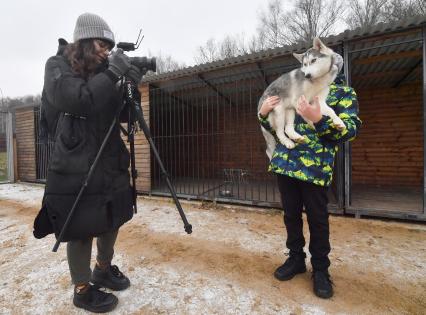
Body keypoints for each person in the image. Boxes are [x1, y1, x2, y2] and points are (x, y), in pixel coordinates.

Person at [33, 13, 142, 312]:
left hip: (110, 158)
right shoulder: (57, 66)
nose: (106, 50)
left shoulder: (107, 72)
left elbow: (125, 116)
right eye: (100, 44)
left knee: (113, 215)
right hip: (76, 161)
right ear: (82, 42)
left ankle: (103, 269)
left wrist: (131, 87)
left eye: (109, 45)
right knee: (81, 225)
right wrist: (111, 75)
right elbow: (78, 100)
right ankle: (82, 289)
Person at [258, 53, 361, 299]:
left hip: (315, 168)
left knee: (317, 219)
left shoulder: (343, 93)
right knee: (291, 216)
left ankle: (321, 270)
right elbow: (274, 125)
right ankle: (295, 259)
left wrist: (320, 120)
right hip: (286, 164)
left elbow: (350, 131)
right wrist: (263, 114)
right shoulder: (301, 85)